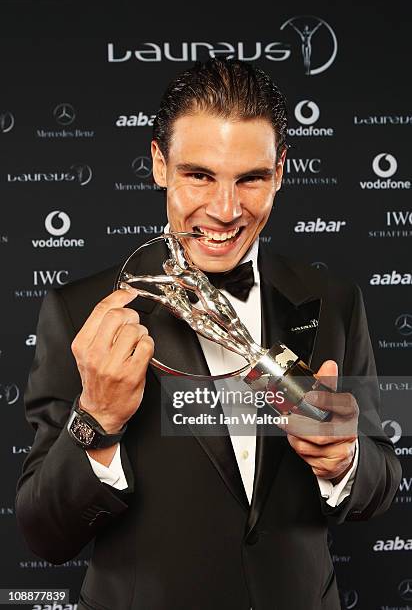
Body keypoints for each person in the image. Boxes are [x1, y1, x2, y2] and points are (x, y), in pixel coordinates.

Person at [16, 59, 401, 610]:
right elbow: (43, 532)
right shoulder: (80, 311)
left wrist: (345, 462)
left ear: (281, 171)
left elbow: (382, 478)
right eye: (199, 175)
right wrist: (96, 420)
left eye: (251, 178)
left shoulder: (335, 299)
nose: (224, 211)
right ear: (159, 164)